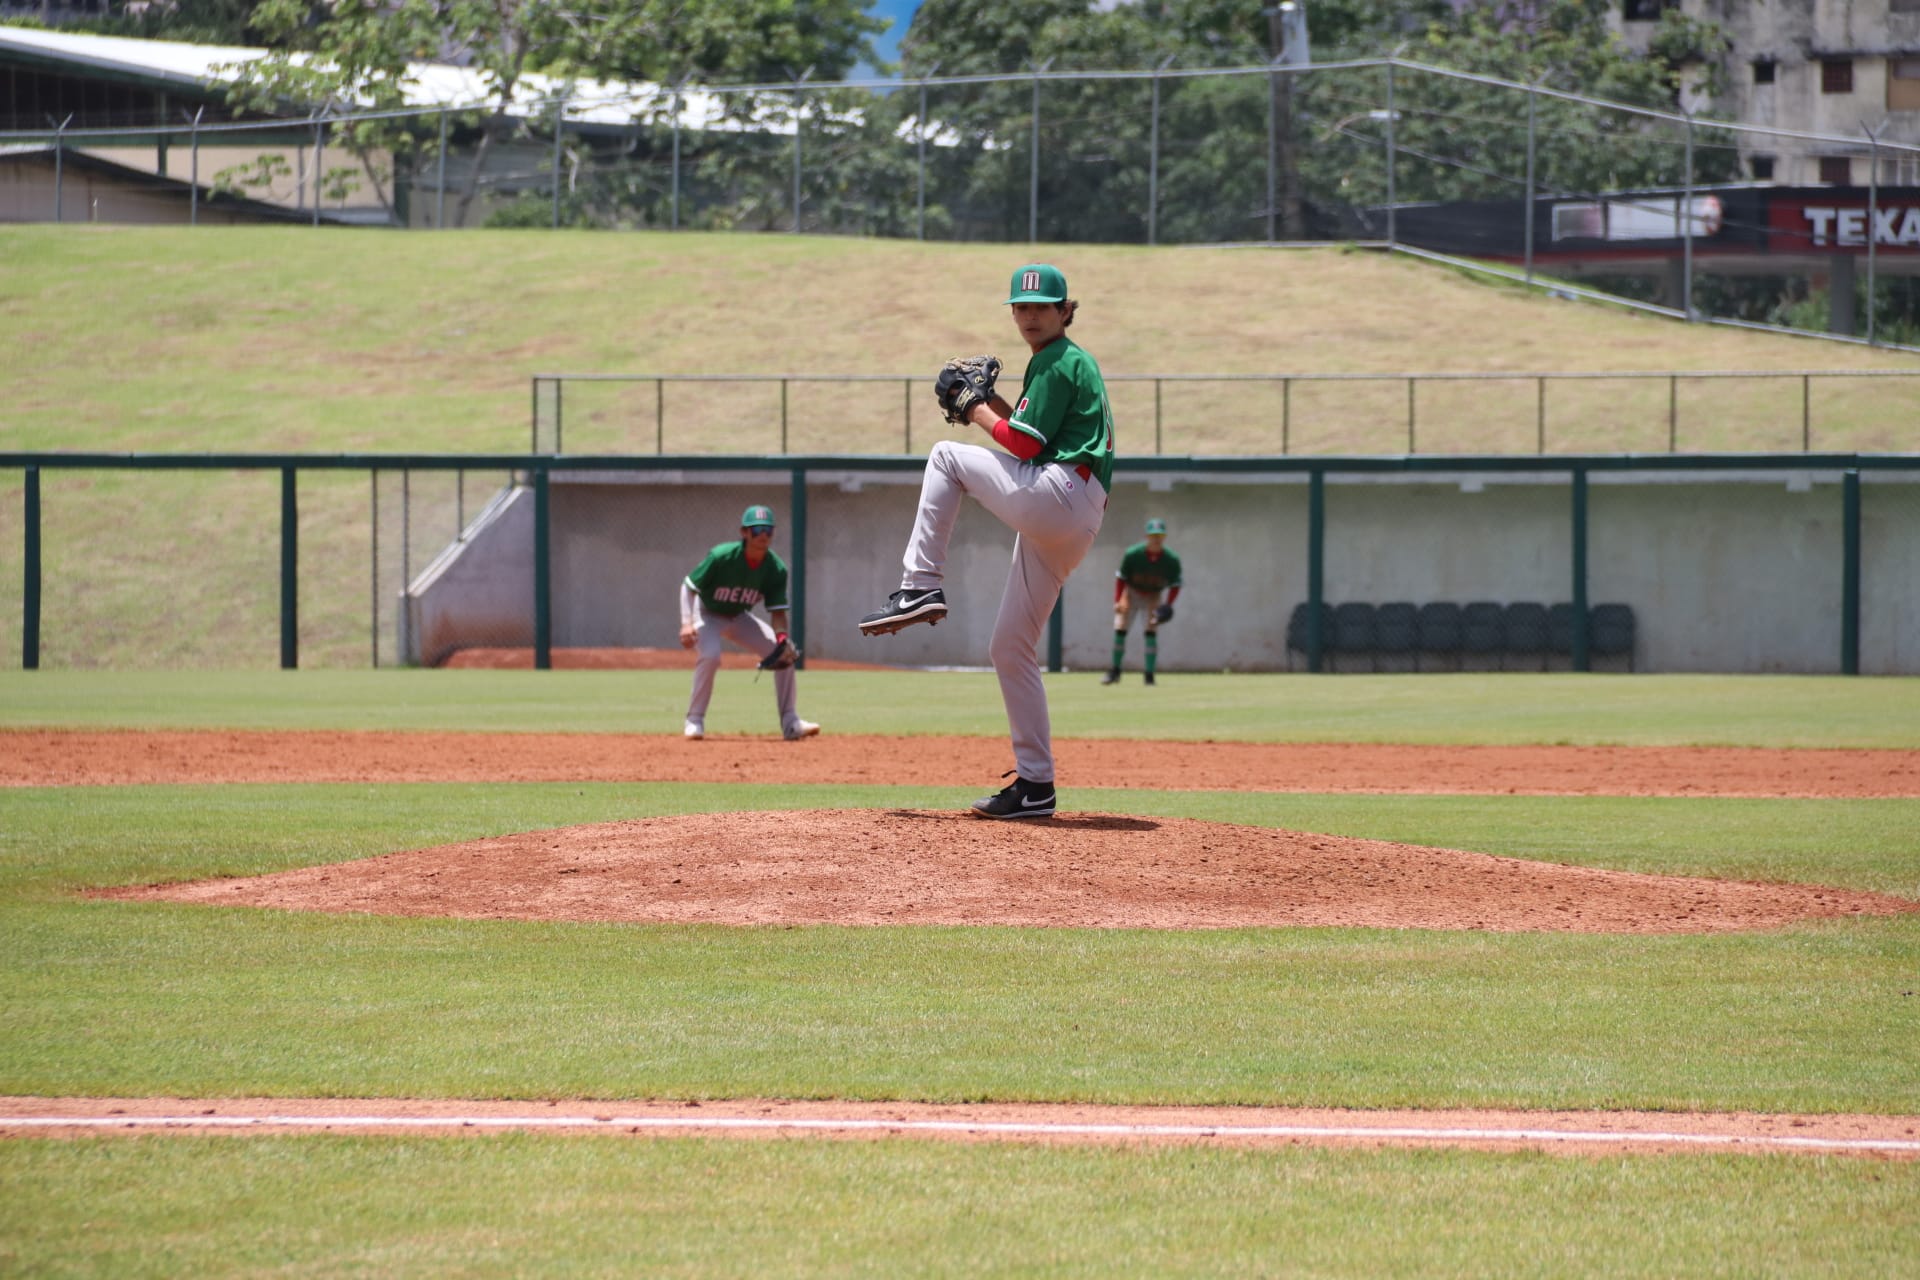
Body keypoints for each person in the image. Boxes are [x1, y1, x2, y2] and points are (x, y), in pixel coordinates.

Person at [859, 263, 1113, 819]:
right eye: (1021, 308)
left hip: (1060, 493)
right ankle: (1036, 786)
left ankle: (919, 585)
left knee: (944, 455)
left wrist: (972, 407)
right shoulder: (1065, 364)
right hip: (1076, 513)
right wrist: (992, 404)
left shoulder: (1055, 359)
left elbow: (1021, 452)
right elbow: (1029, 438)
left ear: (1066, 311)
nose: (1029, 316)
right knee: (1010, 647)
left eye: (1042, 307)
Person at [679, 504, 819, 742]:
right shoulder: (721, 557)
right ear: (744, 532)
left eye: (768, 530)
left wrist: (781, 638)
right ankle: (694, 720)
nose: (763, 535)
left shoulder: (775, 569)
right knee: (711, 655)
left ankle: (791, 723)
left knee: (784, 654)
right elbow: (689, 586)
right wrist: (687, 622)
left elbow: (777, 612)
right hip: (707, 614)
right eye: (756, 530)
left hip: (738, 616)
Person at [1103, 517, 1183, 686]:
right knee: (1120, 630)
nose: (1156, 539)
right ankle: (1115, 672)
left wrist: (1168, 604)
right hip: (1131, 593)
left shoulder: (1171, 560)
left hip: (1154, 595)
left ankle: (1149, 675)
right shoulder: (1133, 554)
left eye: (1159, 535)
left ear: (1164, 537)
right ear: (1146, 536)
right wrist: (1118, 600)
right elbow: (1121, 578)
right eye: (1153, 535)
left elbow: (1176, 584)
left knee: (1151, 632)